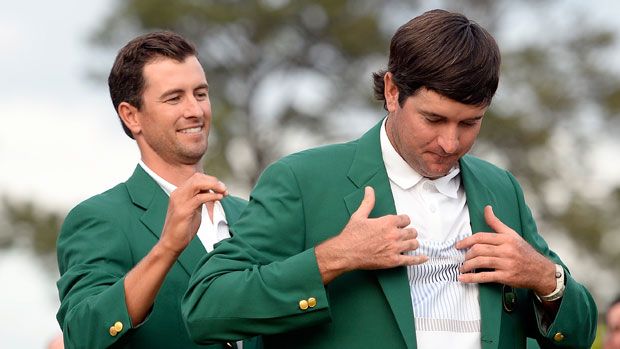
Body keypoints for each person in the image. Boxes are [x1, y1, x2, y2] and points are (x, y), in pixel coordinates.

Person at [181, 9, 597, 349]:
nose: (450, 142)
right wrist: (333, 258)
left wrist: (546, 278)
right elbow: (205, 309)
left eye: (470, 123)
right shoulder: (301, 180)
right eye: (433, 119)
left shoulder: (501, 189)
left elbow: (580, 334)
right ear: (393, 91)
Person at [56, 31, 259, 349]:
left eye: (201, 94)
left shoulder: (251, 216)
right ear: (131, 116)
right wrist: (167, 249)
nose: (195, 110)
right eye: (174, 98)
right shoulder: (99, 218)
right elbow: (82, 336)